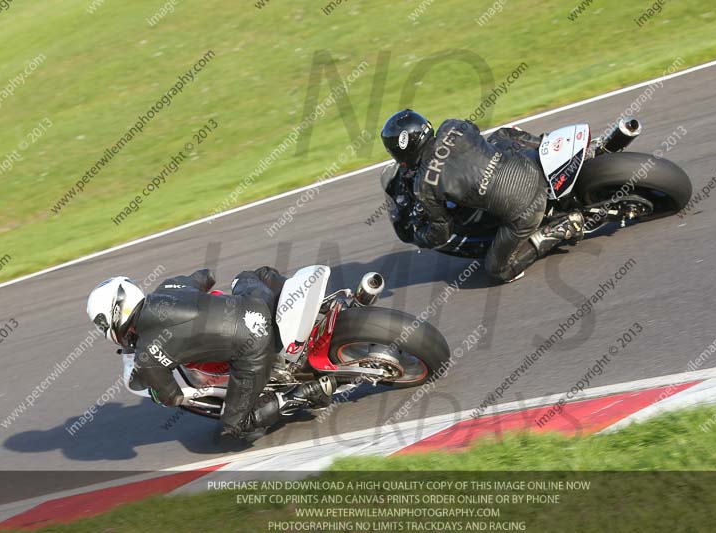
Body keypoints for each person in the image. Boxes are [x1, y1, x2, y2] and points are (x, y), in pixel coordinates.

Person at [86, 266, 336, 441]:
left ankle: (307, 393)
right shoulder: (169, 287)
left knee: (236, 425)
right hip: (257, 304)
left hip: (253, 350)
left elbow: (172, 397)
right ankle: (315, 313)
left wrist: (155, 389)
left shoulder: (147, 354)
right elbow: (206, 276)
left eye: (100, 323)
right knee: (251, 275)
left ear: (113, 316)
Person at [380, 109, 585, 282]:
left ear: (402, 153)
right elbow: (475, 137)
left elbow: (442, 231)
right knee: (501, 135)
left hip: (526, 209)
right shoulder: (452, 126)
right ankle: (546, 145)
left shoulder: (423, 187)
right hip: (529, 166)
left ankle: (561, 228)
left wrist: (421, 237)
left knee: (497, 270)